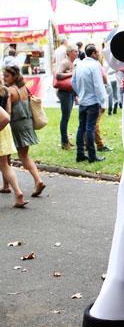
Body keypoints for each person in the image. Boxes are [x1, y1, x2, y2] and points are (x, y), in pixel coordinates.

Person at [3, 65, 46, 197]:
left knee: (7, 156)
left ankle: (7, 185)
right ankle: (37, 180)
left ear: (14, 76)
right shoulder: (23, 88)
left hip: (15, 124)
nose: (4, 78)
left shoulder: (10, 91)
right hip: (27, 123)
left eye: (7, 76)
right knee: (24, 156)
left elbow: (8, 111)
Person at [71, 44, 107, 163]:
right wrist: (102, 101)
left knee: (81, 128)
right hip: (92, 101)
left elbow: (73, 82)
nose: (99, 54)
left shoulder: (79, 64)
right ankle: (92, 156)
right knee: (90, 128)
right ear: (93, 53)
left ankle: (80, 154)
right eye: (97, 52)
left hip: (83, 101)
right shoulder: (95, 65)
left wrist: (80, 93)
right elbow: (98, 85)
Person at [0, 79, 28, 207]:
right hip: (3, 130)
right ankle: (18, 193)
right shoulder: (4, 91)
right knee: (5, 165)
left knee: (4, 165)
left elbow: (5, 117)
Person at [56, 44, 77, 149]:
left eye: (77, 51)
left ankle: (66, 140)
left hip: (70, 92)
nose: (77, 53)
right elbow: (58, 75)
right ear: (69, 52)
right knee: (65, 118)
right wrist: (71, 74)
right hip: (64, 93)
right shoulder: (64, 62)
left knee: (67, 117)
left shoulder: (73, 63)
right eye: (74, 51)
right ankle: (64, 142)